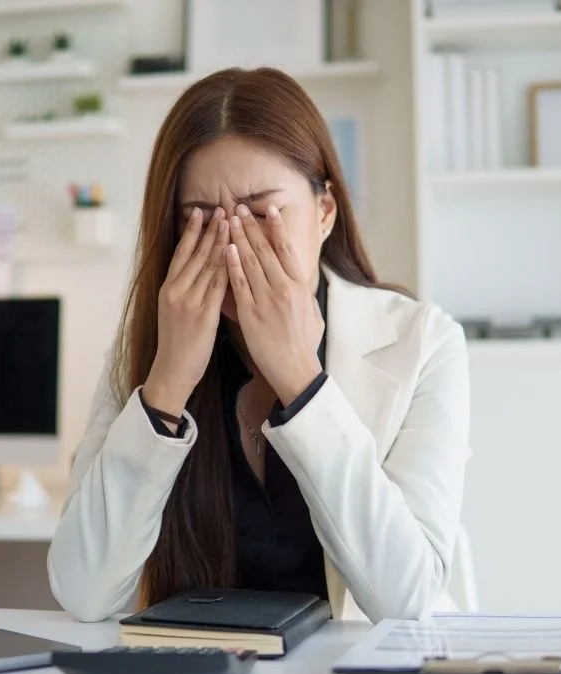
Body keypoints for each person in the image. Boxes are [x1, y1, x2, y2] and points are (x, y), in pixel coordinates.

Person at [48, 67, 470, 623]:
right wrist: (168, 385)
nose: (232, 245)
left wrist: (302, 383)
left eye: (262, 213)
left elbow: (406, 598)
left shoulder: (423, 341)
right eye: (199, 220)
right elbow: (83, 592)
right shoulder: (145, 350)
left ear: (324, 212)